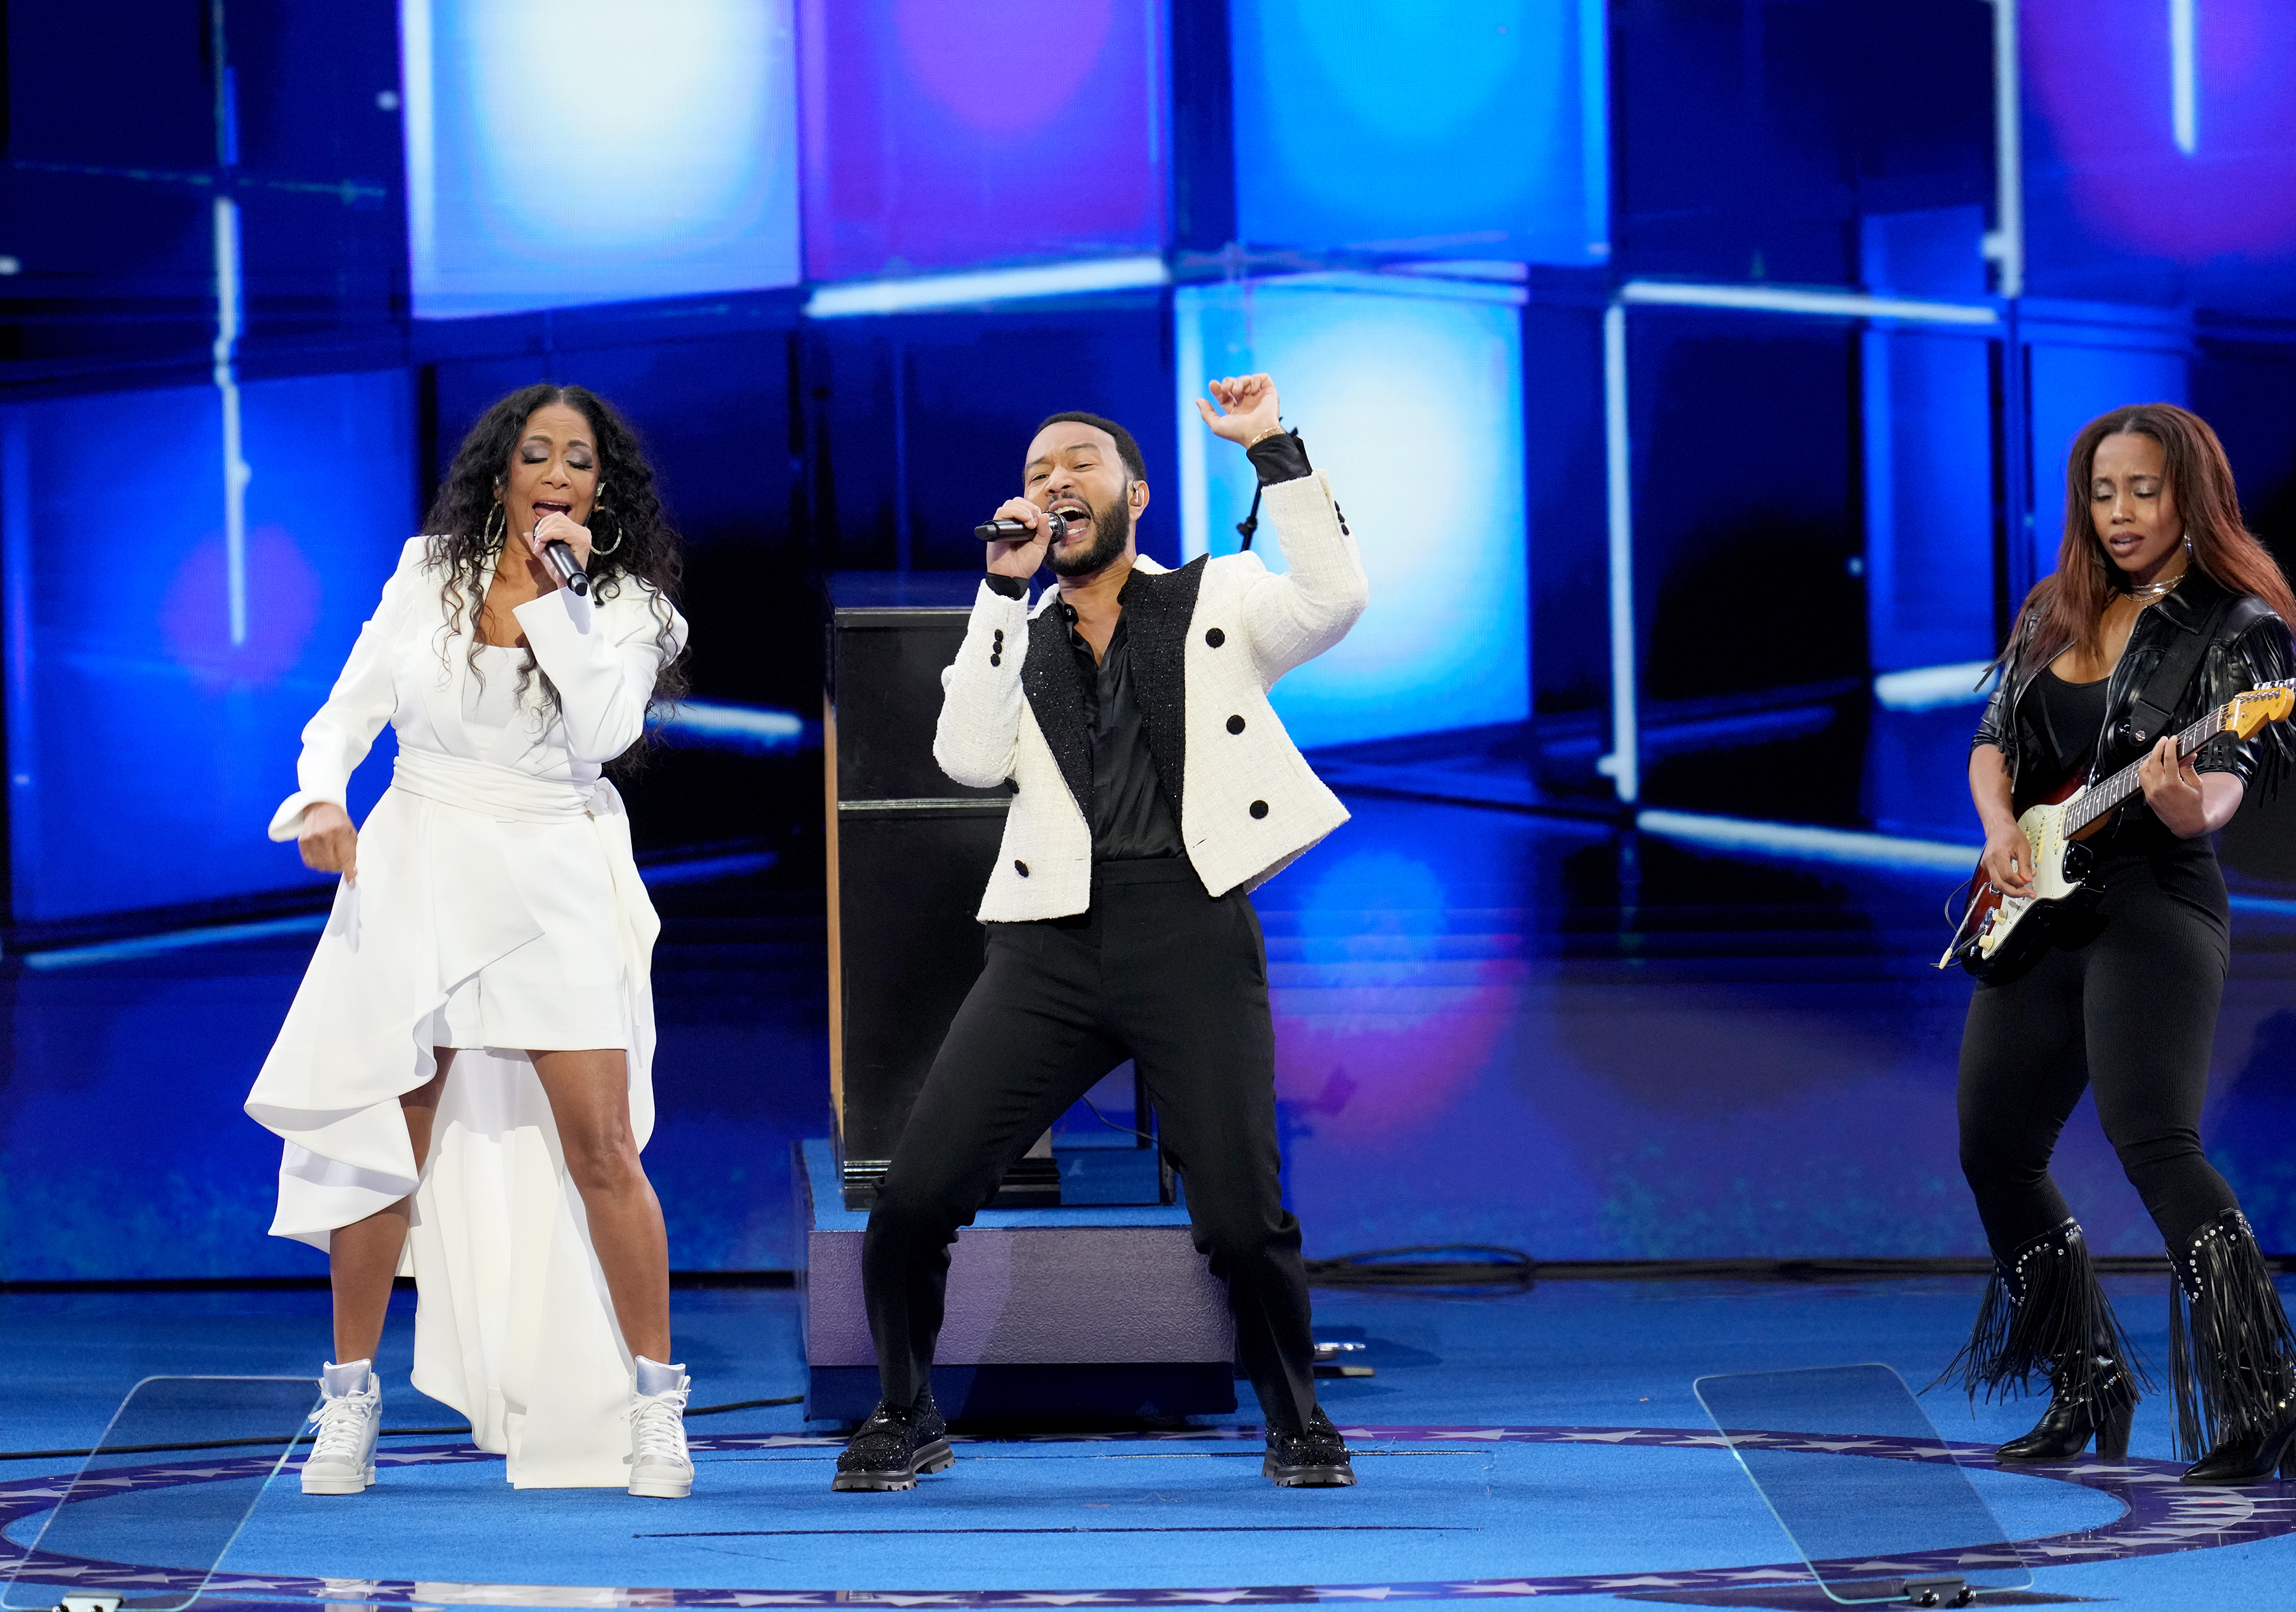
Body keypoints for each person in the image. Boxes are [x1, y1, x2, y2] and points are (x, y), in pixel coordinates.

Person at [833, 374, 1370, 1493]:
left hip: (1188, 924)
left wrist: (1270, 443)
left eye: (1078, 463)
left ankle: (1297, 1418)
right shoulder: (1014, 632)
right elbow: (969, 761)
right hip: (1051, 943)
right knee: (916, 1196)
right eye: (1036, 472)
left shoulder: (1215, 596)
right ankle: (904, 1409)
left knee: (1237, 1212)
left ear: (1133, 492)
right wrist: (996, 593)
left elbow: (1334, 595)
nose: (1054, 481)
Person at [243, 383, 695, 1497]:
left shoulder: (631, 607)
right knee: (381, 1137)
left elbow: (605, 730)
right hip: (425, 863)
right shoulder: (424, 577)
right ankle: (347, 1402)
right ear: (500, 473)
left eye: (577, 459)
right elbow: (344, 714)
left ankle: (654, 1410)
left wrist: (564, 599)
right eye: (534, 453)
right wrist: (320, 799)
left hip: (555, 872)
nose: (554, 473)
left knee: (603, 1149)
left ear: (601, 487)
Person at [1945, 402, 2296, 1485]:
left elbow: (2220, 802)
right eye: (2104, 493)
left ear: (2191, 494)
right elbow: (1995, 742)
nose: (2122, 512)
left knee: (2152, 1137)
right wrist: (2003, 835)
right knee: (1993, 1144)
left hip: (2155, 906)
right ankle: (2085, 1376)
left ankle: (2264, 1391)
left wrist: (2185, 803)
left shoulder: (2238, 631)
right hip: (2038, 904)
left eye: (2144, 489)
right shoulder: (2054, 609)